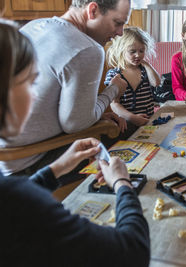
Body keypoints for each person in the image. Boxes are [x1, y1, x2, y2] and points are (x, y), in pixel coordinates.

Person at [0, 20, 150, 267]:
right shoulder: (21, 203)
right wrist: (122, 184)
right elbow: (132, 252)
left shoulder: (13, 194)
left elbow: (15, 196)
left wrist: (57, 167)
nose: (36, 94)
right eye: (30, 82)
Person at [0, 0, 131, 181]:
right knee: (128, 134)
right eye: (117, 23)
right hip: (30, 165)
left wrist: (93, 113)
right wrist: (113, 90)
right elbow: (75, 125)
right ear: (92, 10)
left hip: (5, 163)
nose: (120, 33)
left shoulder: (34, 26)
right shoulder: (88, 49)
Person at [105, 26, 161, 127]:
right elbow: (114, 104)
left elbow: (156, 82)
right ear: (121, 50)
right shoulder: (114, 75)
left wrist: (147, 65)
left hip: (147, 122)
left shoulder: (145, 70)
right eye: (132, 51)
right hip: (126, 123)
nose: (138, 55)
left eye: (141, 51)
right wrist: (132, 117)